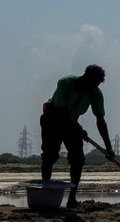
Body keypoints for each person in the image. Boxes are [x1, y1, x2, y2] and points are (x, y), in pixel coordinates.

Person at [41, 64, 115, 209]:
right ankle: (45, 195)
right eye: (91, 84)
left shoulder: (96, 94)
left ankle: (71, 199)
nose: (92, 88)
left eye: (96, 85)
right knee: (49, 156)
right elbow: (61, 113)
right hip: (52, 120)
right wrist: (79, 129)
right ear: (84, 77)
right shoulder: (65, 83)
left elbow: (100, 121)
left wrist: (109, 148)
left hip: (72, 124)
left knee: (78, 160)